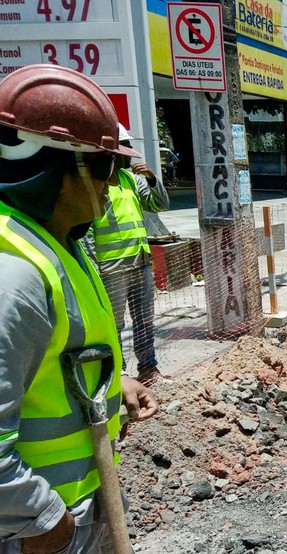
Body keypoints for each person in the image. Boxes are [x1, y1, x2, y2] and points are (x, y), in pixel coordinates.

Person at [0, 64, 158, 552]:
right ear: (60, 169)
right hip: (47, 522)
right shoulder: (13, 275)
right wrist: (43, 517)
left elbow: (61, 350)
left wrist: (115, 387)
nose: (114, 184)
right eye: (108, 168)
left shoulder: (56, 243)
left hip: (85, 496)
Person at [85, 124, 169, 386]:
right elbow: (86, 234)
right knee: (114, 325)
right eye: (123, 149)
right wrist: (92, 268)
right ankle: (118, 374)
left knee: (144, 320)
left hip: (140, 263)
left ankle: (148, 367)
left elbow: (159, 205)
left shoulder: (130, 179)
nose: (129, 154)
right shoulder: (93, 184)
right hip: (110, 269)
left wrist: (153, 180)